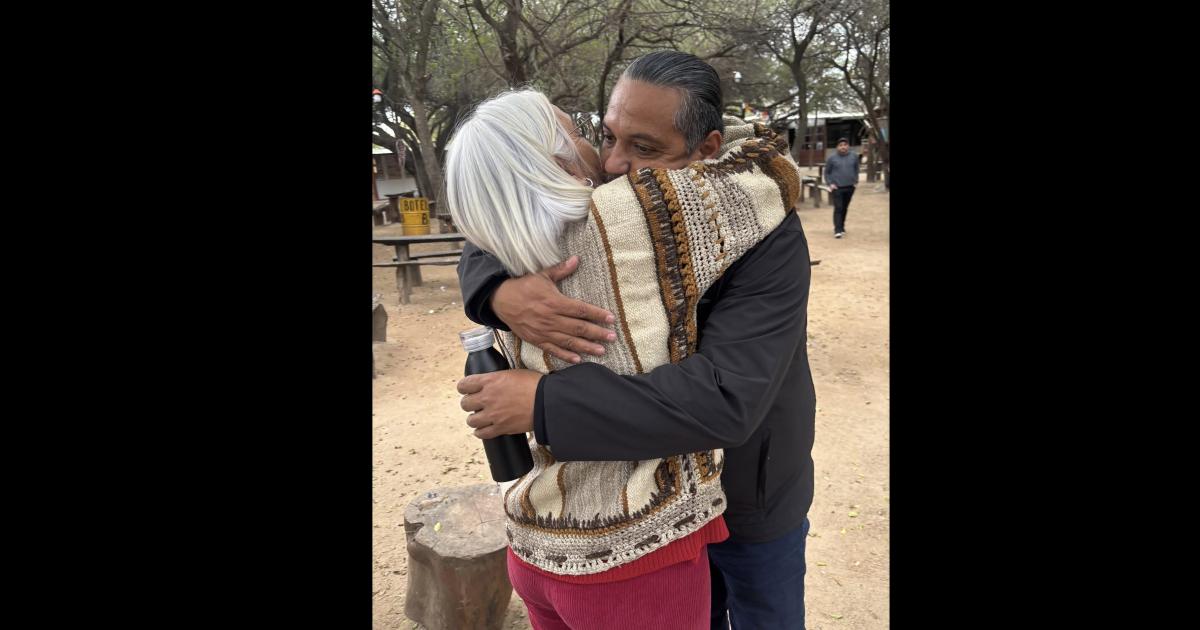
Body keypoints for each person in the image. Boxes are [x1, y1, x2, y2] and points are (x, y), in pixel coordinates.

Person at [456, 50, 816, 630]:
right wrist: (496, 287)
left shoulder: (766, 228)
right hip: (650, 510)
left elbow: (729, 396)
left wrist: (541, 402)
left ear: (707, 149)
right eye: (608, 137)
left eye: (644, 148)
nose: (614, 164)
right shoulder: (607, 211)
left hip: (749, 491)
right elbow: (497, 208)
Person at [825, 137, 859, 238]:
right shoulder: (832, 158)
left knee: (845, 207)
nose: (843, 147)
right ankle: (837, 230)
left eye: (845, 145)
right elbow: (827, 172)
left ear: (848, 146)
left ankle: (842, 227)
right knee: (838, 208)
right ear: (837, 147)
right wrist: (830, 183)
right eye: (841, 145)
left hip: (850, 186)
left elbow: (856, 169)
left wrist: (855, 181)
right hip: (837, 187)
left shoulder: (854, 156)